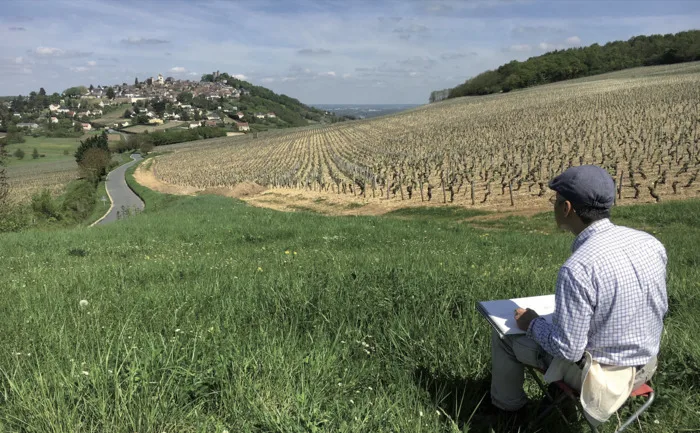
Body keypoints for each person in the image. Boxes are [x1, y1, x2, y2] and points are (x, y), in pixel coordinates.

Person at [490, 165, 668, 424]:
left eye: (556, 200)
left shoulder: (578, 268)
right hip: (646, 366)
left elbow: (569, 350)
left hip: (600, 377)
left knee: (503, 336)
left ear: (566, 208)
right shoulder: (650, 243)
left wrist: (532, 323)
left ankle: (508, 413)